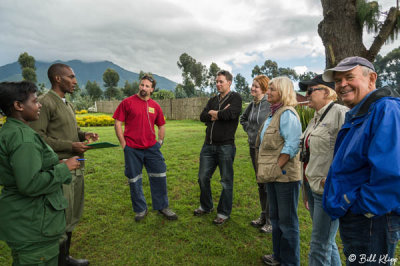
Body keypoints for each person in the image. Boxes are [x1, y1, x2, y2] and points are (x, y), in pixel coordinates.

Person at [322, 56, 400, 265]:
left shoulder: (386, 109)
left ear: (371, 78)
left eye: (349, 77)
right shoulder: (360, 113)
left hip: (372, 221)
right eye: (338, 81)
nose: (342, 85)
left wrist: (359, 207)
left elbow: (392, 173)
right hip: (361, 219)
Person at [0, 81, 80, 266]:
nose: (40, 105)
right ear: (18, 106)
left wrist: (53, 164)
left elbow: (24, 168)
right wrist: (63, 168)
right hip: (33, 224)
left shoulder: (13, 130)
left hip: (23, 221)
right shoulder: (24, 139)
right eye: (35, 101)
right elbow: (30, 183)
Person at [30, 63, 98, 266]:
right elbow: (38, 138)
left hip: (76, 166)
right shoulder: (45, 103)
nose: (75, 81)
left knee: (72, 213)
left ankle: (65, 258)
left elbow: (72, 130)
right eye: (71, 77)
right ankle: (58, 260)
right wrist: (71, 145)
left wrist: (84, 135)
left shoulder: (67, 104)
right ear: (58, 79)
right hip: (59, 168)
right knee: (60, 216)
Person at [113, 74, 178, 222]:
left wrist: (159, 142)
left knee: (160, 175)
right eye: (142, 85)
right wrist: (124, 145)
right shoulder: (127, 102)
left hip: (152, 149)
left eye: (147, 86)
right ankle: (140, 209)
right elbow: (118, 123)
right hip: (132, 149)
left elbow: (161, 125)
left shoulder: (155, 106)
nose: (143, 88)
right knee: (134, 179)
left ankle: (162, 206)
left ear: (152, 89)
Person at [299, 75, 348, 266]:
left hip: (327, 190)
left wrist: (332, 179)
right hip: (313, 187)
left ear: (327, 92)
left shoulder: (340, 113)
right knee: (327, 242)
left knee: (319, 245)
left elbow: (350, 151)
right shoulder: (316, 118)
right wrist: (306, 188)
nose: (307, 95)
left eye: (311, 91)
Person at [257, 76, 302, 266]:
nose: (268, 92)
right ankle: (278, 257)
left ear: (282, 92)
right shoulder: (273, 113)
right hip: (274, 176)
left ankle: (290, 262)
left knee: (288, 222)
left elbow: (292, 145)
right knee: (275, 218)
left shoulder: (287, 114)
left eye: (272, 89)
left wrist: (277, 167)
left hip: (284, 177)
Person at [194, 70, 242, 225]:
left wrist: (216, 114)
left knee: (226, 181)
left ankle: (223, 213)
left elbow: (232, 114)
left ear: (229, 82)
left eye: (221, 81)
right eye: (216, 81)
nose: (218, 84)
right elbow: (202, 116)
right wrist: (219, 113)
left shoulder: (235, 98)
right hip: (208, 146)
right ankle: (206, 206)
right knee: (202, 177)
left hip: (226, 147)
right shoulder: (213, 99)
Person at [240, 75, 272, 233]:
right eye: (252, 85)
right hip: (253, 147)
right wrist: (250, 130)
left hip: (266, 150)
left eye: (256, 86)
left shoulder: (269, 104)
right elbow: (243, 119)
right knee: (260, 184)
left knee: (268, 185)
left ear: (264, 89)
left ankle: (271, 221)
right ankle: (263, 216)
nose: (252, 88)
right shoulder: (252, 104)